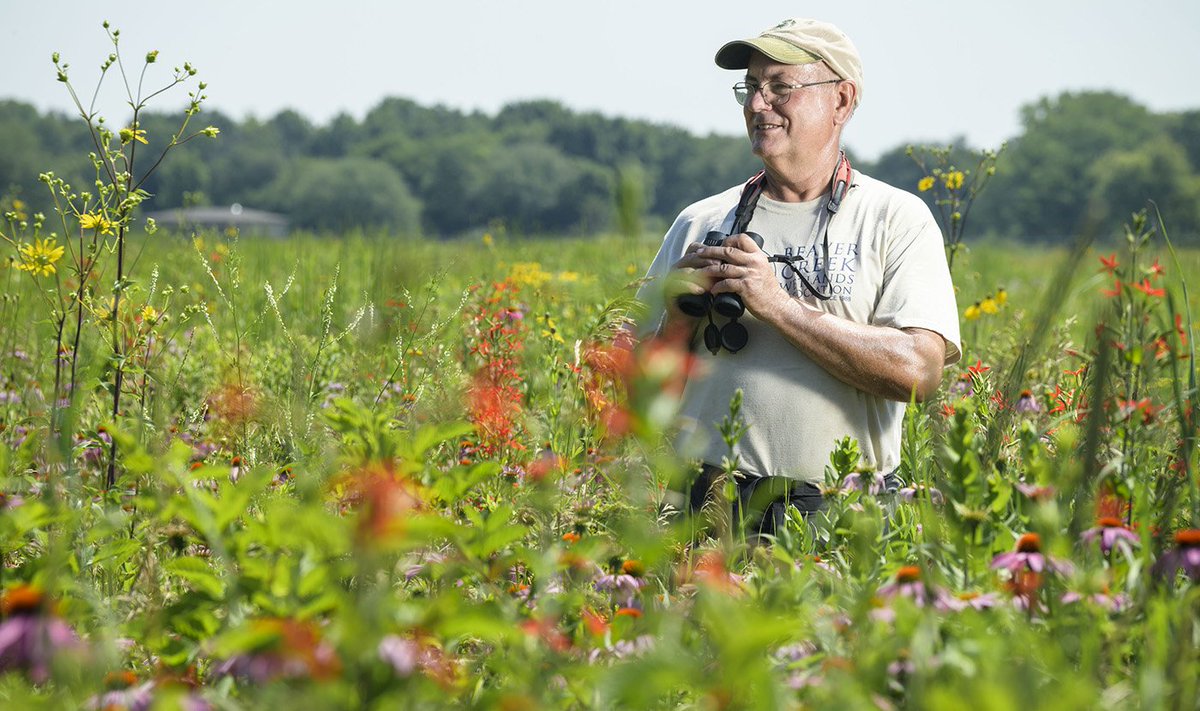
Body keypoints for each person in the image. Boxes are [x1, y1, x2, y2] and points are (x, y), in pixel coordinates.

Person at [636, 18, 961, 536]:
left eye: (780, 87)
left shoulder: (894, 218)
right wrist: (677, 319)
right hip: (704, 511)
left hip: (840, 517)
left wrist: (778, 306)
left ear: (841, 100)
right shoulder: (700, 222)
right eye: (751, 87)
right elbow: (636, 397)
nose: (758, 104)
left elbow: (918, 373)